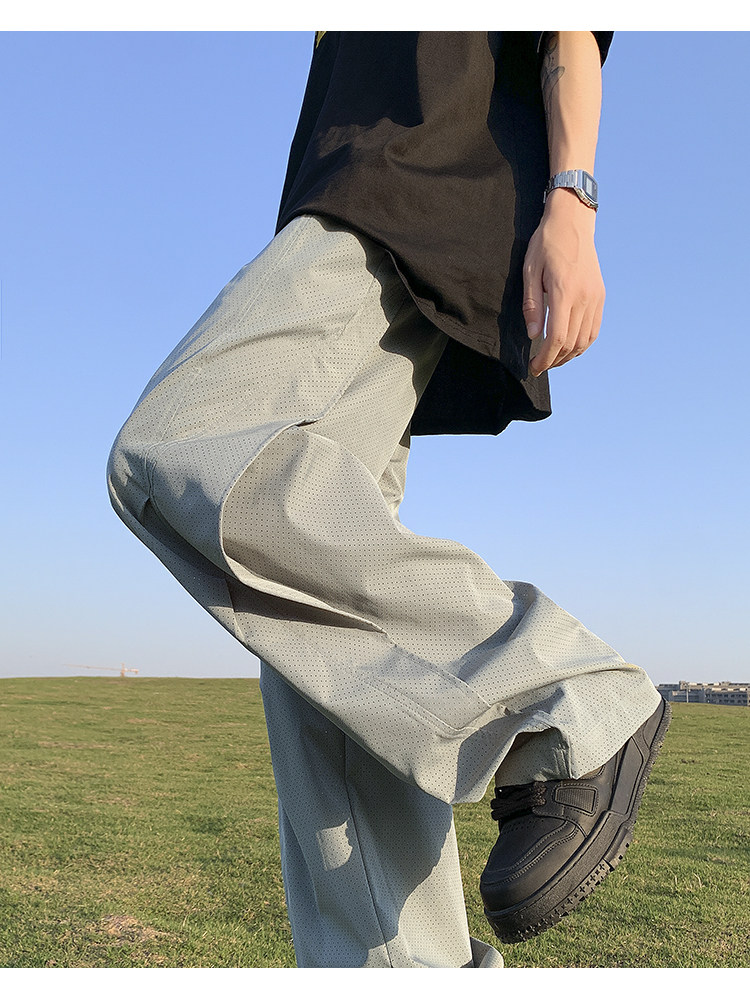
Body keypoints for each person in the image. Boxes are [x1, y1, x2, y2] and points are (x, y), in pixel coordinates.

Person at [107, 31, 670, 968]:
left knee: (177, 444)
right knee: (331, 676)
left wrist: (574, 201)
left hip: (405, 189)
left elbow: (569, 29)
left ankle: (569, 702)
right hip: (356, 196)